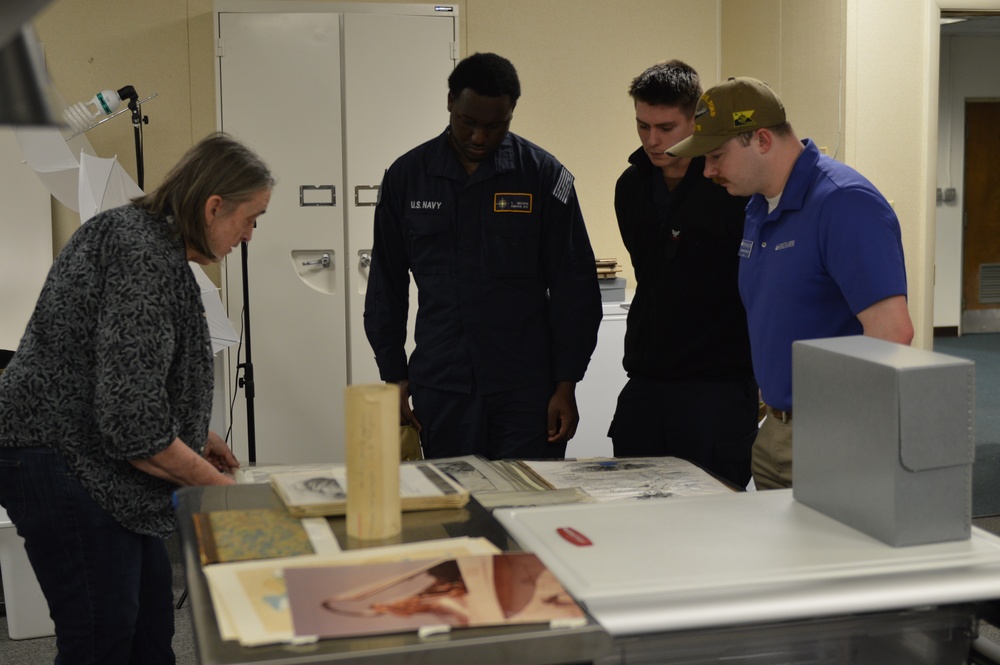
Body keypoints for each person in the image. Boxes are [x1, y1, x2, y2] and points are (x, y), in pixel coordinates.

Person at [0, 132, 273, 664]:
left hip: (92, 454)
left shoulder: (150, 243)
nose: (250, 235)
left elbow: (129, 377)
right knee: (103, 636)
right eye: (251, 218)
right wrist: (219, 489)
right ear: (214, 206)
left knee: (149, 626)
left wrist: (197, 437)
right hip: (59, 460)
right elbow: (132, 427)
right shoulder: (142, 256)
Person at [667, 77, 914, 489]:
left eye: (716, 156)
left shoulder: (843, 203)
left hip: (833, 434)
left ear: (761, 139)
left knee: (831, 553)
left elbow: (893, 333)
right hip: (775, 431)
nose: (708, 171)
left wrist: (839, 435)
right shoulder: (757, 207)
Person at [364, 52, 602, 460]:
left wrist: (567, 384)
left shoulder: (544, 176)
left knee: (528, 508)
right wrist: (394, 377)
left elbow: (574, 287)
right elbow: (386, 285)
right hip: (443, 386)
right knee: (455, 510)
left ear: (512, 114)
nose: (479, 137)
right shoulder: (407, 177)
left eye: (495, 126)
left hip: (527, 388)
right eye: (468, 122)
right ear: (450, 103)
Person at [608, 60, 758, 489]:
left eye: (667, 127)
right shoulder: (631, 187)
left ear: (695, 119)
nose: (653, 140)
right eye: (642, 126)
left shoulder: (728, 186)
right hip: (648, 379)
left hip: (717, 383)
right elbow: (651, 274)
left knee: (712, 524)